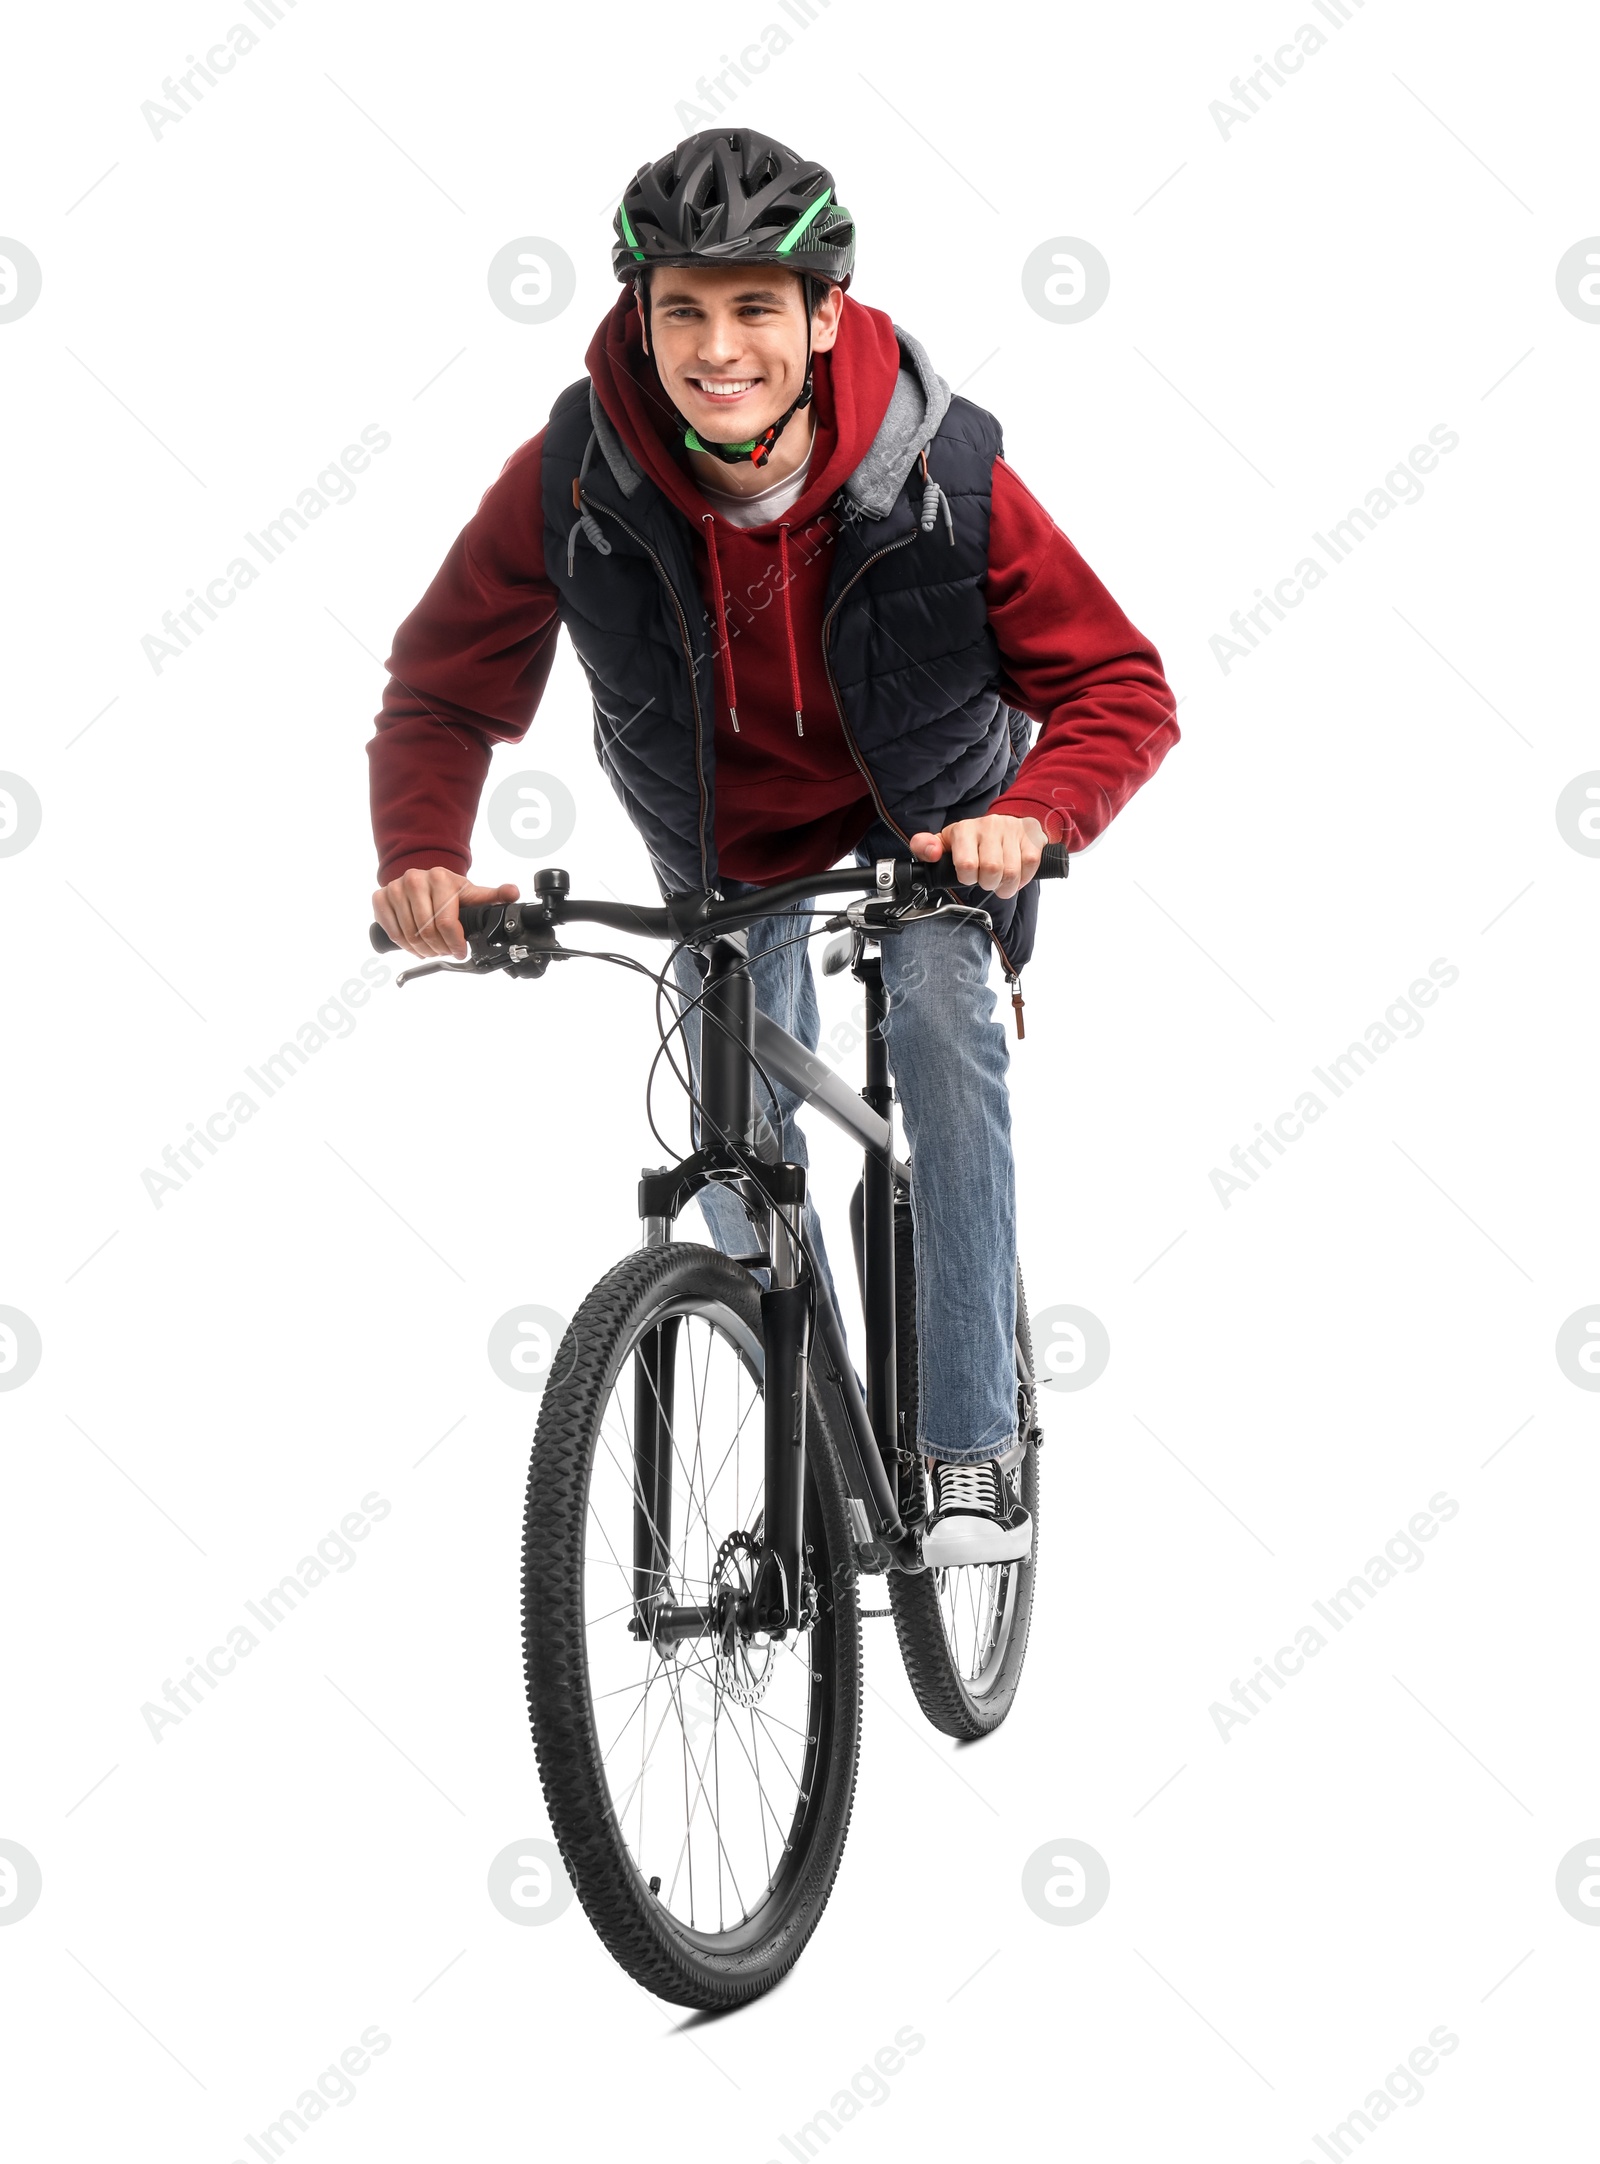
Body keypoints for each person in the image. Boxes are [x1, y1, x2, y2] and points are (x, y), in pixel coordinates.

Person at [368, 128, 1178, 1567]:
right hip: (725, 837)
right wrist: (426, 854)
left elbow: (1121, 685)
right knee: (734, 1124)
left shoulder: (946, 471)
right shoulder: (575, 474)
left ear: (824, 315)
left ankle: (970, 1446)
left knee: (936, 1008)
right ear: (639, 317)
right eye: (682, 308)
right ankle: (763, 1347)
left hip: (932, 828)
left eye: (755, 307)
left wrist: (1027, 822)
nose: (716, 345)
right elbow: (443, 687)